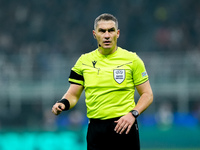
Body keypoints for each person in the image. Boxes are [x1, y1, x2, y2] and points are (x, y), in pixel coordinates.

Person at [52, 13, 153, 150]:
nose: (107, 35)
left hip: (124, 126)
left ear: (117, 33)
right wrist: (62, 103)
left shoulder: (133, 60)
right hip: (96, 130)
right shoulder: (83, 61)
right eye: (102, 31)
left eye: (111, 30)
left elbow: (147, 94)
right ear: (95, 34)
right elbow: (73, 94)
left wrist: (133, 114)